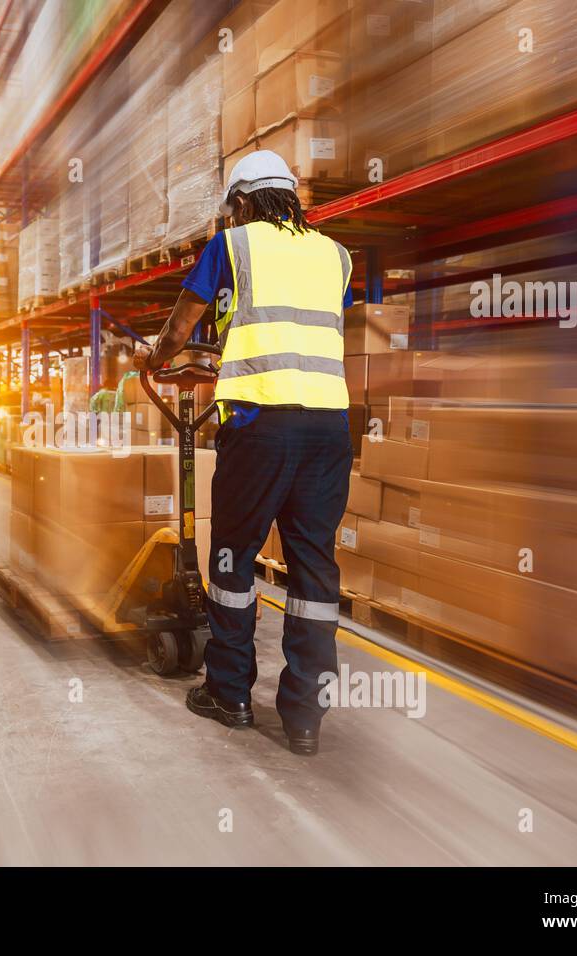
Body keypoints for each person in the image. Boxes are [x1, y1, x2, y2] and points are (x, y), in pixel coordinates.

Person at [133, 149, 353, 756]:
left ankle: (228, 694)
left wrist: (154, 358)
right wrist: (215, 362)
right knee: (314, 573)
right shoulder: (336, 256)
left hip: (259, 428)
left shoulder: (232, 246)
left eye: (232, 206)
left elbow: (180, 329)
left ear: (244, 201)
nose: (230, 216)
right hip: (329, 430)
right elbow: (289, 336)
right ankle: (305, 717)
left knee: (232, 561)